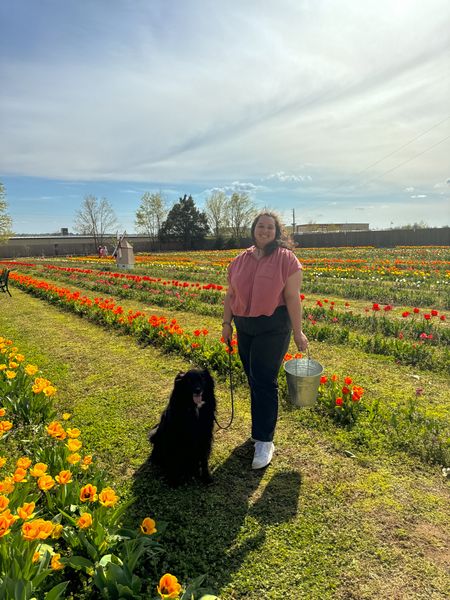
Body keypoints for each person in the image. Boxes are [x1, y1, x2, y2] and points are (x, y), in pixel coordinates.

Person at [221, 212, 308, 469]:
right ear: (253, 229)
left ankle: (264, 441)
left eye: (270, 227)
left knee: (263, 379)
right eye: (261, 226)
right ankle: (258, 432)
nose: (265, 231)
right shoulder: (239, 261)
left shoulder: (287, 260)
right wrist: (226, 324)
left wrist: (297, 331)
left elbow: (293, 297)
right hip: (244, 326)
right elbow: (230, 294)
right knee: (253, 379)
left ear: (277, 232)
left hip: (273, 327)